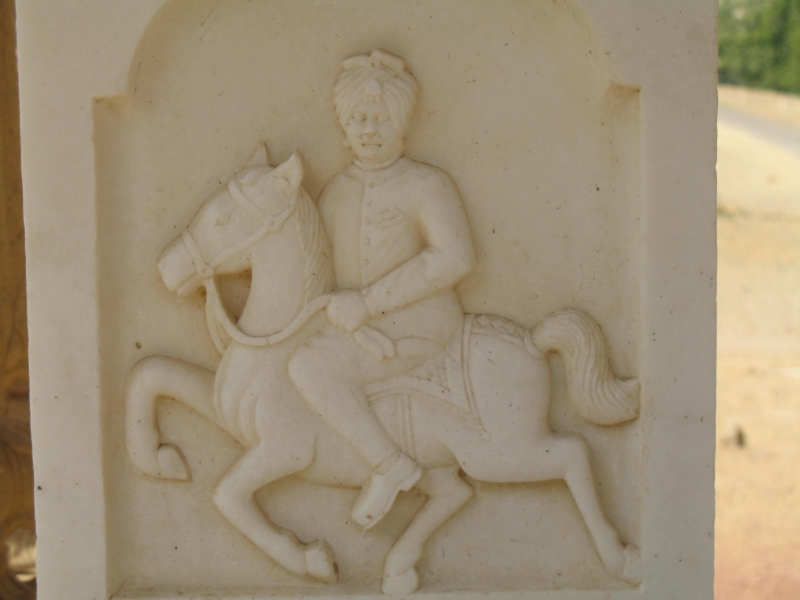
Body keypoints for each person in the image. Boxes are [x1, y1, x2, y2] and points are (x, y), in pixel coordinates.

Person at [288, 49, 475, 529]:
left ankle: (389, 467)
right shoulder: (335, 191)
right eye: (358, 119)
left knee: (309, 366)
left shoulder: (427, 184)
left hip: (420, 325)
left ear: (402, 124)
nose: (368, 129)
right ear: (344, 127)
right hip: (352, 329)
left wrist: (370, 303)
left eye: (380, 118)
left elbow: (454, 258)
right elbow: (317, 266)